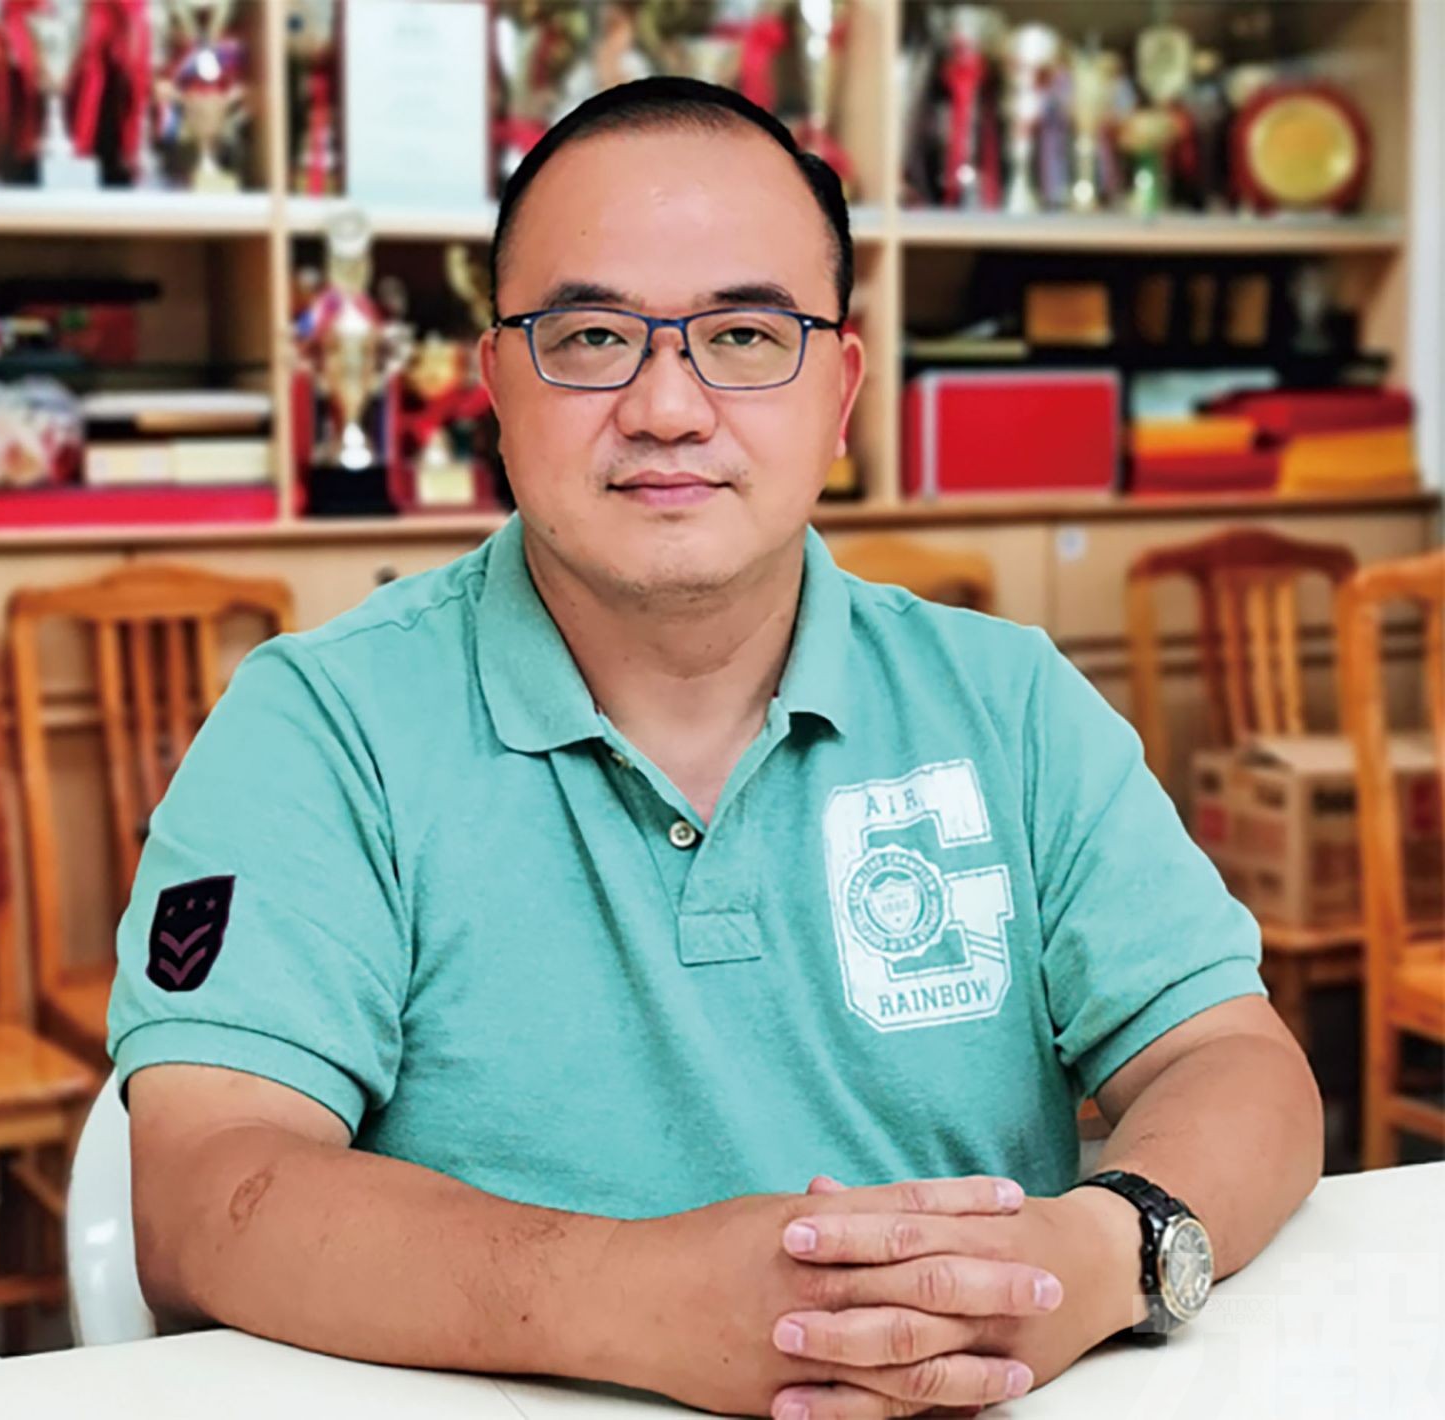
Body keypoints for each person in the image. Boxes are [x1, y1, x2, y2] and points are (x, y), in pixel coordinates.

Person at [110, 77, 1322, 1420]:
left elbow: (1235, 1061)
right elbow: (202, 1193)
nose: (669, 407)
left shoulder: (1009, 702)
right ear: (495, 384)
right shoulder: (319, 725)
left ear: (842, 390)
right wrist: (636, 1298)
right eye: (590, 337)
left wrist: (1107, 1253)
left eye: (746, 335)